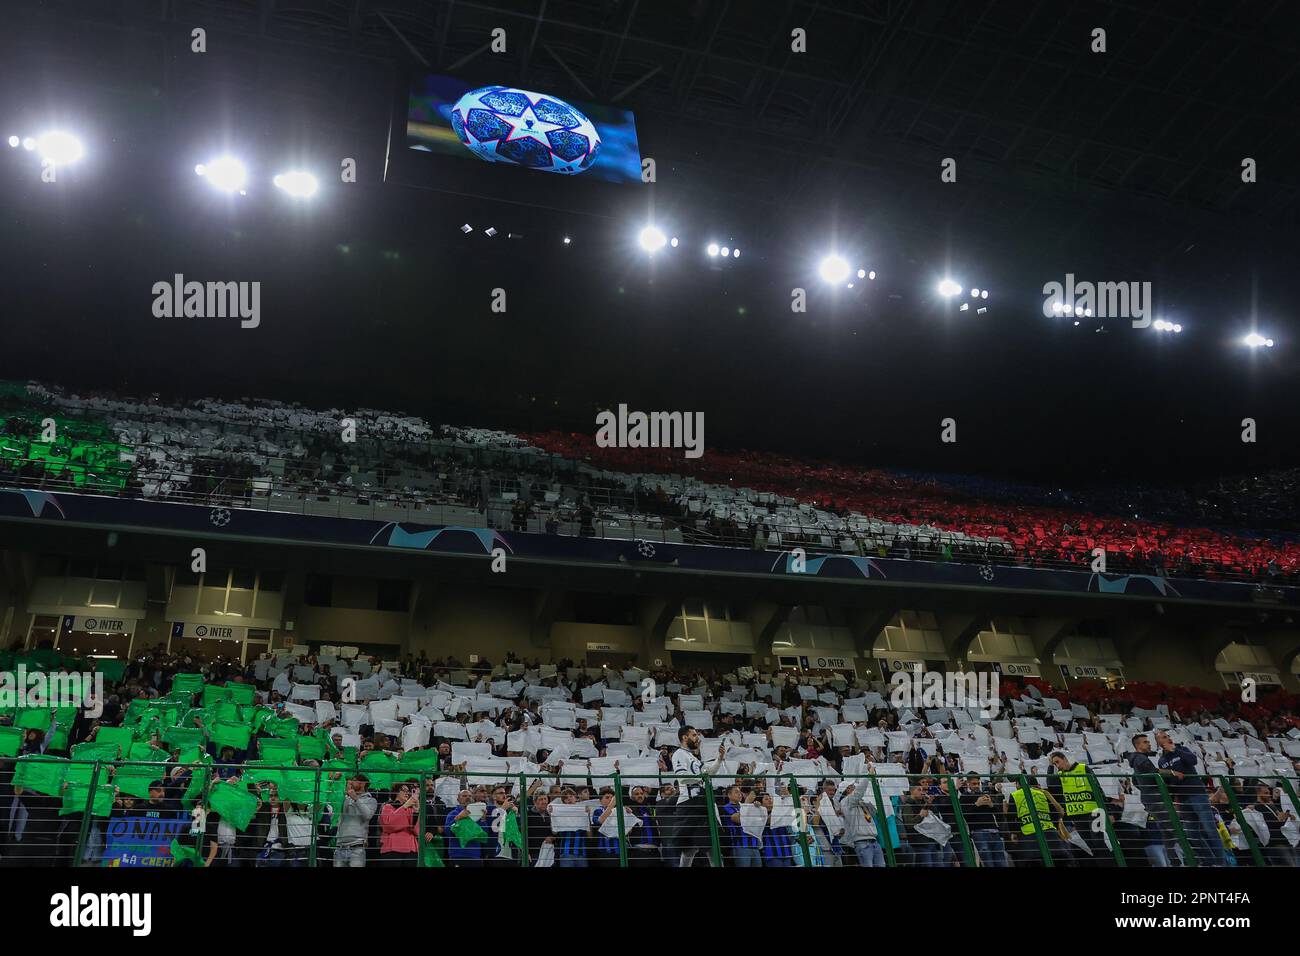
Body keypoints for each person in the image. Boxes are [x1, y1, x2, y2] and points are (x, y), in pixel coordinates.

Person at [1155, 730, 1229, 866]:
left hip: (1197, 794)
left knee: (1210, 829)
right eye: (1164, 737)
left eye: (1168, 736)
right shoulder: (1161, 761)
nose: (1168, 738)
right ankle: (1208, 861)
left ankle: (1221, 863)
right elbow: (1168, 781)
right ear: (1158, 742)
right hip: (1182, 799)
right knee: (1192, 834)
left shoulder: (1182, 749)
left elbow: (1193, 760)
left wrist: (1175, 750)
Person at [669, 726, 726, 867]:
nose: (697, 738)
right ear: (684, 737)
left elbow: (709, 772)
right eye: (694, 735)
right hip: (689, 804)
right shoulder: (679, 754)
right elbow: (682, 778)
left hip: (700, 803)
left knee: (712, 845)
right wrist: (701, 777)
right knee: (689, 848)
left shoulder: (692, 757)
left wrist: (719, 759)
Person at [1048, 751, 1109, 865]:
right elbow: (1051, 784)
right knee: (1090, 844)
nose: (1057, 765)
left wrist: (1108, 810)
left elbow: (1097, 787)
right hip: (1077, 815)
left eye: (1057, 762)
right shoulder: (1061, 775)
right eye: (1054, 764)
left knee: (1098, 842)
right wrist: (1050, 766)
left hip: (1094, 812)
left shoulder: (1083, 768)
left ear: (1065, 759)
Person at [1124, 734, 1172, 867]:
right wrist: (1173, 773)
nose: (1149, 744)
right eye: (1145, 742)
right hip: (1156, 798)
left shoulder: (1137, 762)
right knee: (1171, 830)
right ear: (1138, 746)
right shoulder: (1141, 759)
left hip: (1150, 798)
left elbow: (1136, 781)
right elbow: (1155, 773)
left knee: (1168, 831)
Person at [959, 773, 1009, 867]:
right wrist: (976, 804)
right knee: (988, 863)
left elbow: (1000, 815)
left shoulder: (985, 795)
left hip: (994, 832)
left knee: (1002, 862)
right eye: (974, 784)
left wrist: (991, 805)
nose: (977, 786)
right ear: (968, 783)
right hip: (979, 832)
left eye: (978, 783)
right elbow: (964, 816)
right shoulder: (964, 797)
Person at [334, 775, 377, 868]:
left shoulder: (371, 800)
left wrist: (356, 799)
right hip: (340, 845)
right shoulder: (346, 798)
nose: (351, 783)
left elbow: (368, 815)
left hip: (357, 847)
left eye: (354, 781)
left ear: (363, 783)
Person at [839, 781, 885, 866]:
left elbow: (874, 812)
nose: (854, 787)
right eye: (851, 786)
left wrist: (868, 801)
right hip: (862, 842)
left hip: (874, 840)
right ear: (847, 790)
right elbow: (859, 791)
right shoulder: (846, 802)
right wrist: (867, 776)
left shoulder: (861, 801)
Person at [720, 785, 762, 867]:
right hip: (740, 846)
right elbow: (737, 819)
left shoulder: (746, 806)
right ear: (729, 795)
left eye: (740, 792)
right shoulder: (726, 808)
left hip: (754, 845)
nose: (739, 794)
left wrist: (757, 809)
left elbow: (757, 821)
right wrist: (747, 803)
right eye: (736, 792)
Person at [378, 783, 419, 865]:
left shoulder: (411, 809)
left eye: (408, 791)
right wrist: (405, 806)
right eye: (404, 790)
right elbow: (389, 825)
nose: (407, 793)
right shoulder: (387, 806)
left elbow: (417, 830)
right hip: (392, 849)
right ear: (396, 792)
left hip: (410, 849)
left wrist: (416, 812)